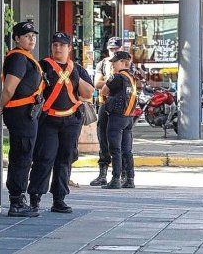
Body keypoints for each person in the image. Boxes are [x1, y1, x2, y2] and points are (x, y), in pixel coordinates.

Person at [27, 32, 94, 214]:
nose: (58, 48)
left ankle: (59, 199)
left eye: (62, 45)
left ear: (69, 48)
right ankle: (35, 197)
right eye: (55, 44)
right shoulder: (42, 66)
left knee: (65, 160)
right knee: (44, 158)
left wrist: (71, 73)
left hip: (71, 120)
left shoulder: (77, 68)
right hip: (48, 120)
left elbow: (88, 93)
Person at [0, 21, 43, 218]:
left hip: (26, 113)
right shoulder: (18, 58)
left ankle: (18, 198)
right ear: (16, 39)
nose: (32, 39)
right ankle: (16, 201)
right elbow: (9, 88)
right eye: (27, 36)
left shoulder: (25, 57)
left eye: (33, 36)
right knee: (21, 156)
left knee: (24, 155)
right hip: (21, 114)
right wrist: (1, 104)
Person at [100, 51, 137, 189]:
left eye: (114, 62)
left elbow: (104, 90)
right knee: (127, 149)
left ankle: (116, 179)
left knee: (115, 149)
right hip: (128, 118)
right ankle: (129, 178)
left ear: (122, 62)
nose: (112, 65)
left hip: (116, 117)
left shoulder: (117, 77)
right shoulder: (131, 78)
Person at [90, 37, 123, 186]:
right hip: (105, 104)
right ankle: (102, 173)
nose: (114, 52)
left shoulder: (126, 64)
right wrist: (114, 81)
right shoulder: (102, 64)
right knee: (103, 138)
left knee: (120, 142)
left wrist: (110, 82)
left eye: (116, 49)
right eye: (111, 49)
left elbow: (129, 83)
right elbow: (97, 83)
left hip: (121, 107)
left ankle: (121, 175)